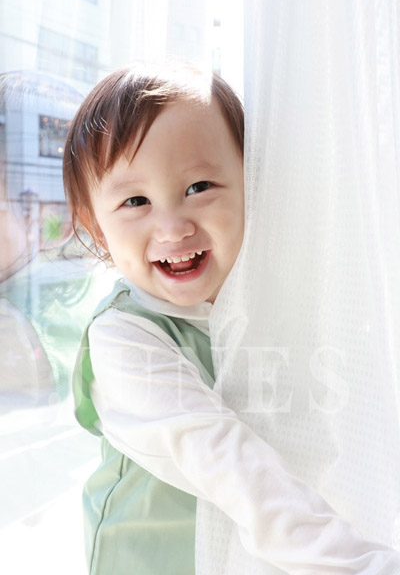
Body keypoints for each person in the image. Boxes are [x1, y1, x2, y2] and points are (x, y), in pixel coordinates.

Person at [63, 64, 400, 575]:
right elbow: (235, 468)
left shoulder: (273, 303)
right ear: (96, 225)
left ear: (252, 185)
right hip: (148, 562)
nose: (173, 227)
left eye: (199, 186)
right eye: (136, 201)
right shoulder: (124, 338)